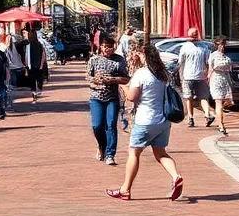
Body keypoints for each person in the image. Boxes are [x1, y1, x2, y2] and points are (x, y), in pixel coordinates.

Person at [107, 38, 183, 202]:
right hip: (163, 121)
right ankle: (176, 176)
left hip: (145, 120)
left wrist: (124, 86)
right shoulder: (162, 74)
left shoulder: (141, 74)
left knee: (134, 153)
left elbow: (132, 98)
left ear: (145, 56)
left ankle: (125, 189)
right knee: (161, 152)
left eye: (139, 54)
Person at [88, 34, 129, 166]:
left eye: (110, 47)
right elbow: (88, 77)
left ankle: (110, 154)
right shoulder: (94, 60)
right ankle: (102, 146)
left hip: (112, 97)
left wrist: (113, 79)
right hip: (96, 97)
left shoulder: (119, 60)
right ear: (100, 47)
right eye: (104, 46)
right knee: (97, 125)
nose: (107, 49)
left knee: (111, 124)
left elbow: (126, 78)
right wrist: (97, 80)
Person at [177, 28, 214, 128]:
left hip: (188, 76)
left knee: (189, 97)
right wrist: (208, 74)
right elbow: (208, 62)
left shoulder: (184, 47)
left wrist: (181, 76)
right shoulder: (204, 47)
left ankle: (191, 118)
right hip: (201, 75)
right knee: (203, 97)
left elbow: (180, 63)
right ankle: (207, 114)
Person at [208, 36, 235, 137]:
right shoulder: (213, 56)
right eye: (220, 44)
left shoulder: (225, 56)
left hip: (225, 79)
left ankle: (216, 114)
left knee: (230, 101)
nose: (222, 46)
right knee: (218, 102)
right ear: (216, 45)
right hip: (216, 79)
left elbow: (229, 69)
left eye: (223, 44)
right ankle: (221, 125)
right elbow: (210, 68)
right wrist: (208, 79)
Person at [19, 27, 47, 102]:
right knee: (36, 80)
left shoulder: (30, 44)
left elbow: (26, 56)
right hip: (36, 65)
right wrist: (41, 64)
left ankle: (35, 92)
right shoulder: (38, 44)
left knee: (33, 80)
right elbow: (43, 55)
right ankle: (35, 92)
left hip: (31, 65)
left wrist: (26, 65)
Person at [3, 33, 25, 112]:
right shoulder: (16, 47)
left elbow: (7, 62)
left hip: (11, 69)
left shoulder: (7, 49)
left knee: (9, 88)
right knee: (12, 88)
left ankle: (9, 105)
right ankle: (9, 104)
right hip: (18, 68)